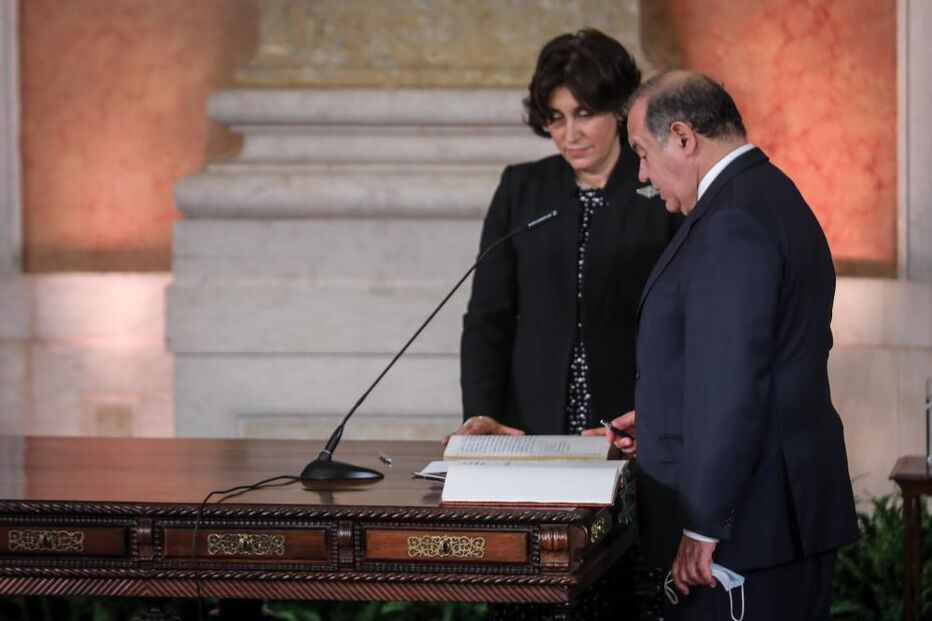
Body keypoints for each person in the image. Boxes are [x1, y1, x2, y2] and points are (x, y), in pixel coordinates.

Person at [444, 29, 680, 621]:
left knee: (624, 593)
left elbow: (683, 324)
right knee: (530, 594)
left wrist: (663, 419)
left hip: (629, 437)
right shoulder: (523, 188)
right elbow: (488, 318)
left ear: (622, 109)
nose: (569, 133)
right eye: (555, 117)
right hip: (533, 440)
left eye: (585, 113)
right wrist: (482, 417)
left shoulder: (659, 186)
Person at [606, 70, 859, 621]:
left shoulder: (732, 220)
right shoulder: (764, 193)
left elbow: (732, 383)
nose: (643, 175)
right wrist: (657, 420)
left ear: (683, 136)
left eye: (643, 153)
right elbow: (745, 364)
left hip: (746, 530)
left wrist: (702, 523)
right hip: (773, 519)